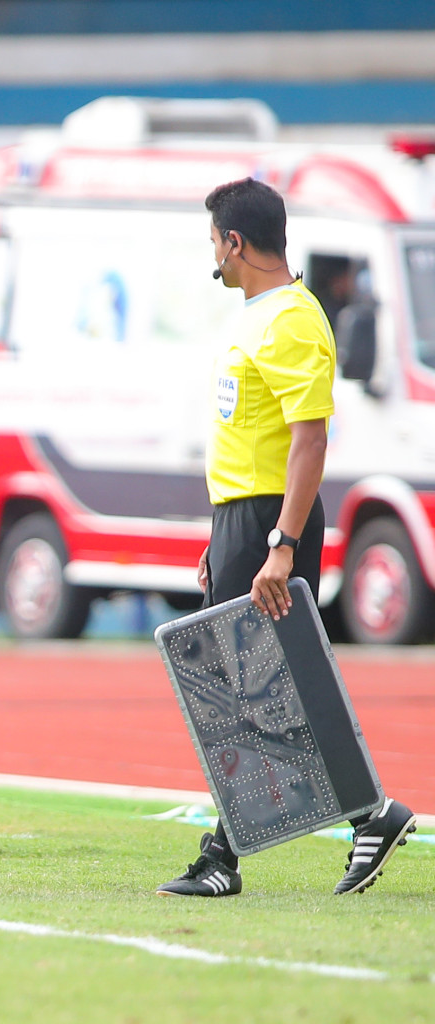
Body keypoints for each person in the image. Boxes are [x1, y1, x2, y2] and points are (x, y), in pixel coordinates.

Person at [157, 178, 415, 898]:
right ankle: (366, 815)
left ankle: (226, 858)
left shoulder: (293, 321)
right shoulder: (257, 314)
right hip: (243, 517)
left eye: (215, 242)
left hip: (272, 518)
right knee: (256, 691)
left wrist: (279, 542)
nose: (214, 256)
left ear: (235, 243)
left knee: (247, 692)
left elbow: (310, 443)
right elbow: (256, 437)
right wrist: (225, 533)